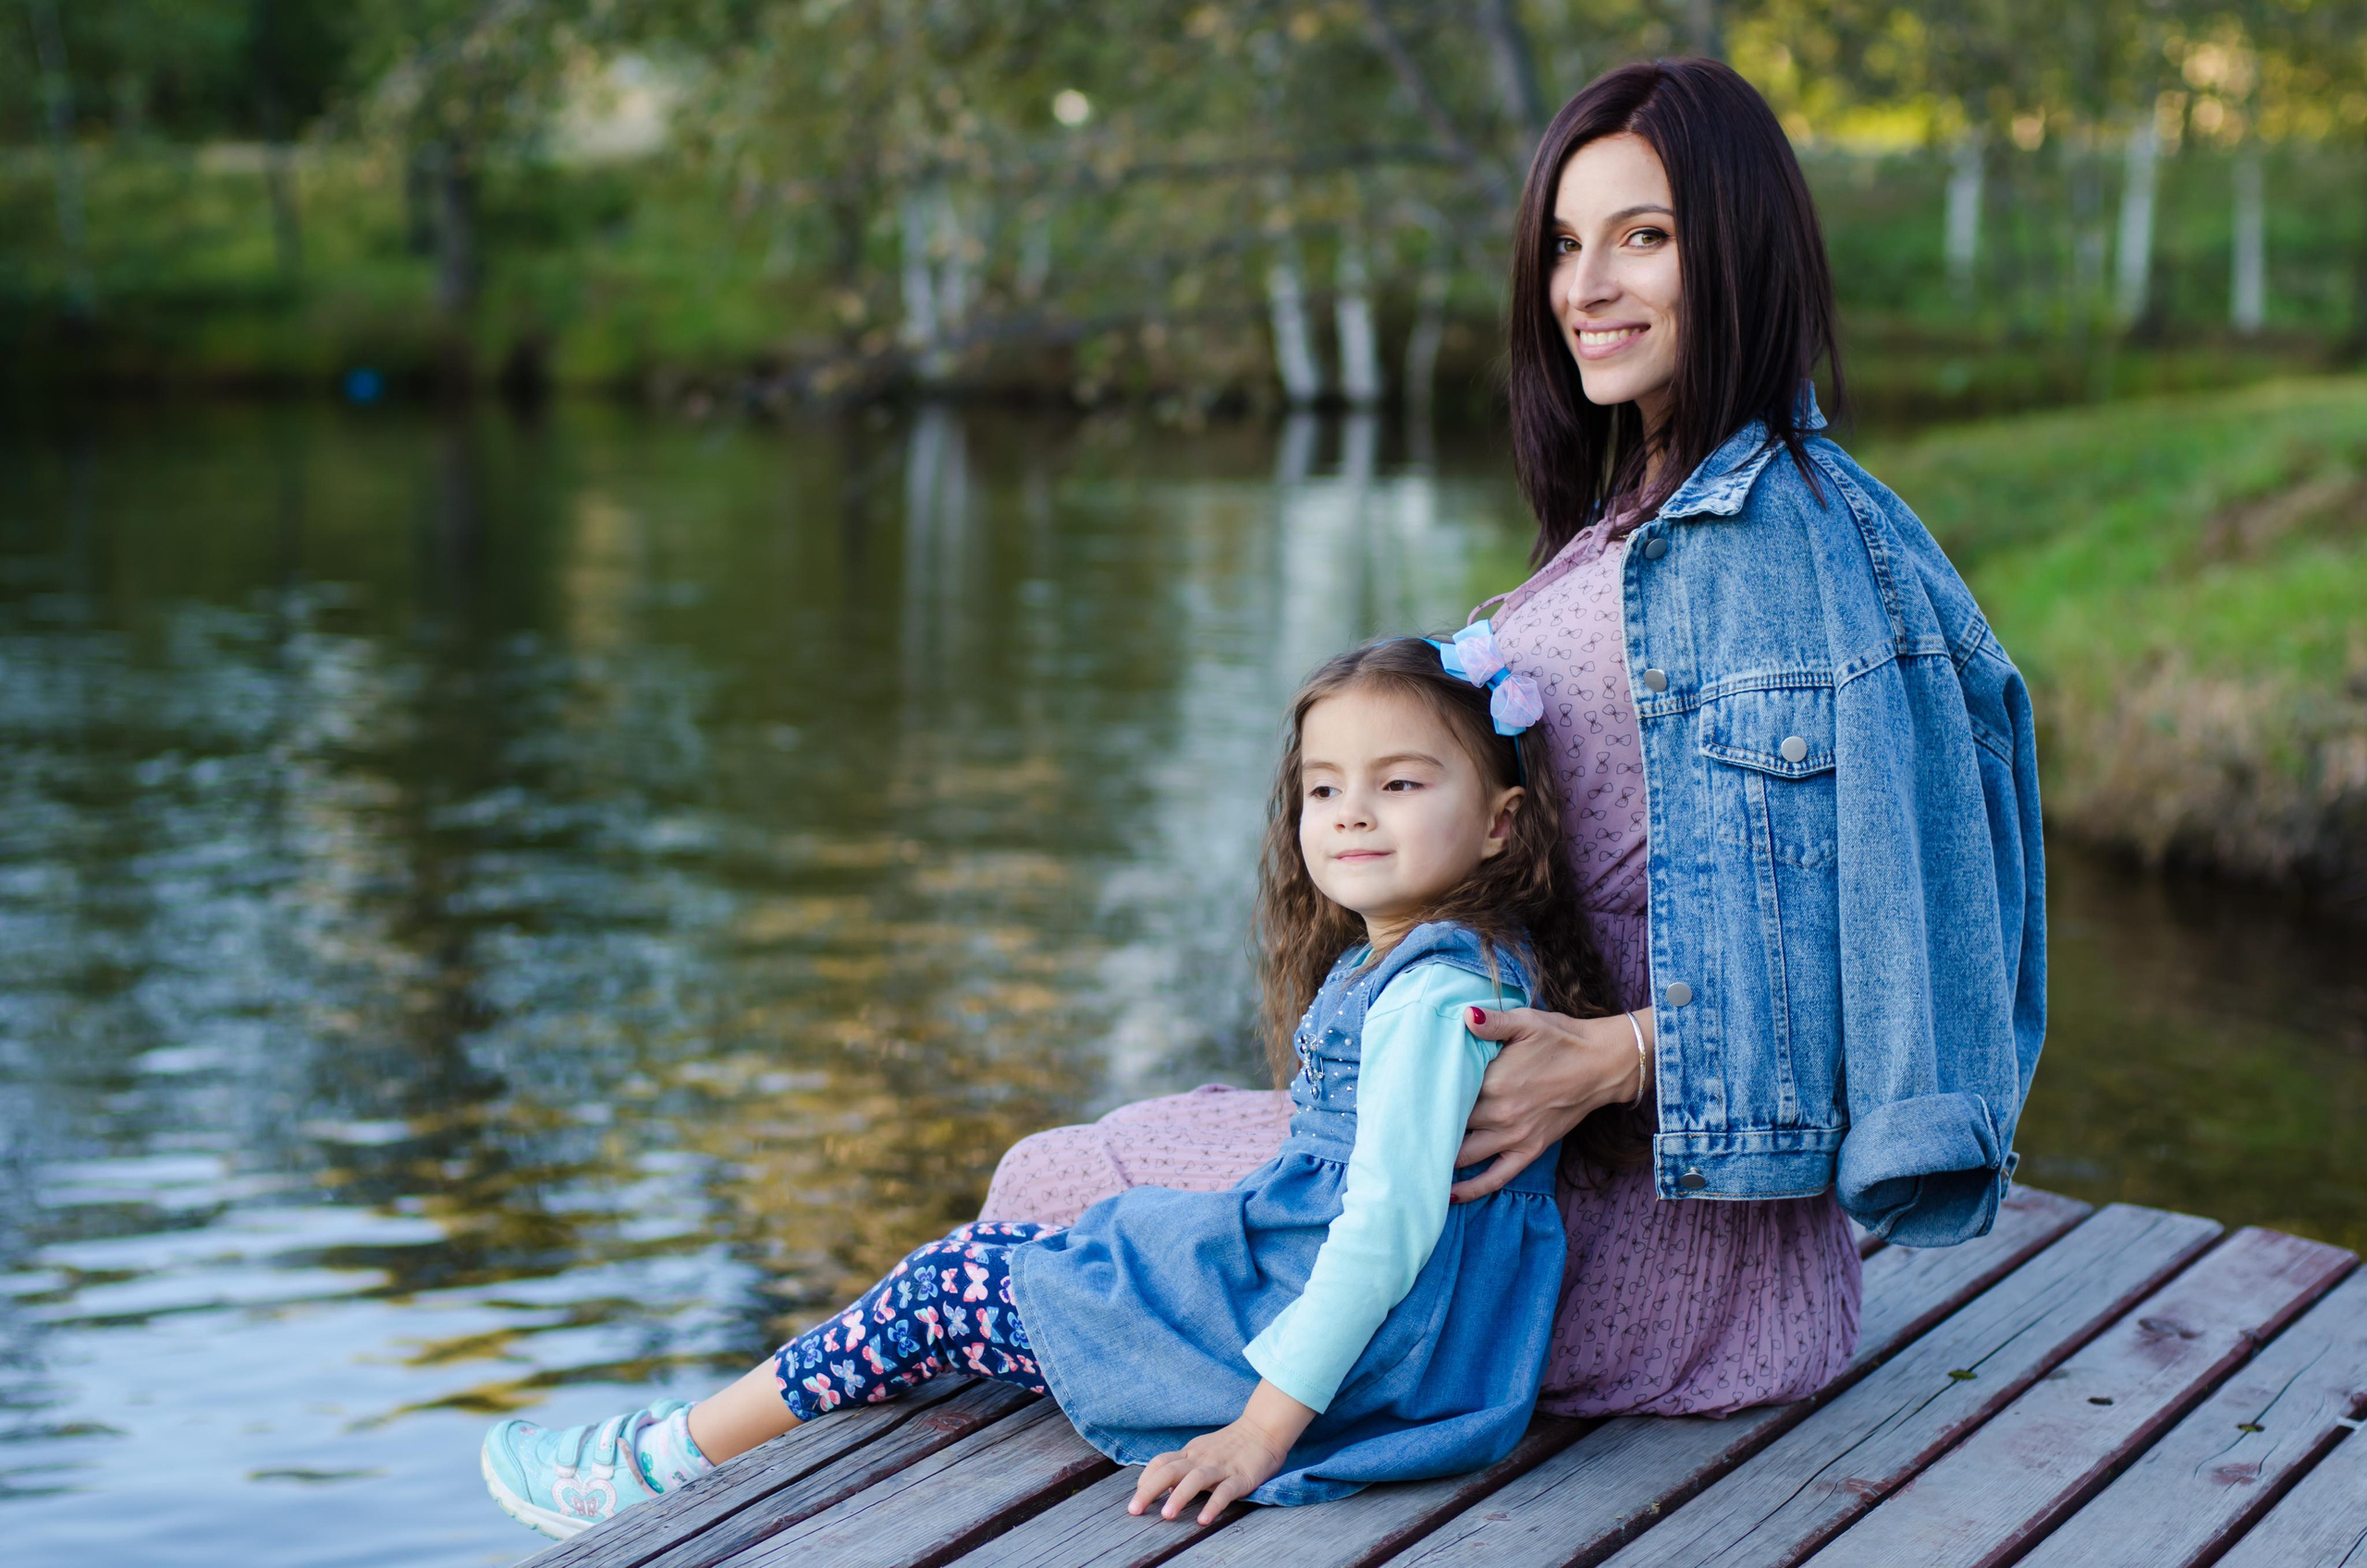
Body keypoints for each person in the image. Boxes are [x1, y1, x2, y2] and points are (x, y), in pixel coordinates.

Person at [982, 55, 2045, 1425]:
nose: (1585, 287)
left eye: (1643, 239)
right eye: (1563, 245)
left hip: (1665, 1262)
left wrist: (1622, 1058)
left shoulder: (1816, 564)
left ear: (1739, 250)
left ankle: (710, 1490)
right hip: (1550, 1183)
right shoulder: (1643, 517)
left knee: (1053, 1197)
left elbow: (1929, 984)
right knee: (1095, 1168)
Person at [480, 634, 1619, 1539]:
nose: (1352, 812)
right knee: (1043, 1252)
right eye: (1324, 788)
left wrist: (1259, 1433)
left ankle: (658, 1464)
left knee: (942, 1285)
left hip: (1325, 1346)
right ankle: (706, 1432)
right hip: (1349, 1321)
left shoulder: (1427, 998)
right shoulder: (1453, 960)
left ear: (1498, 823)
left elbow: (1382, 1235)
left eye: (1400, 781)